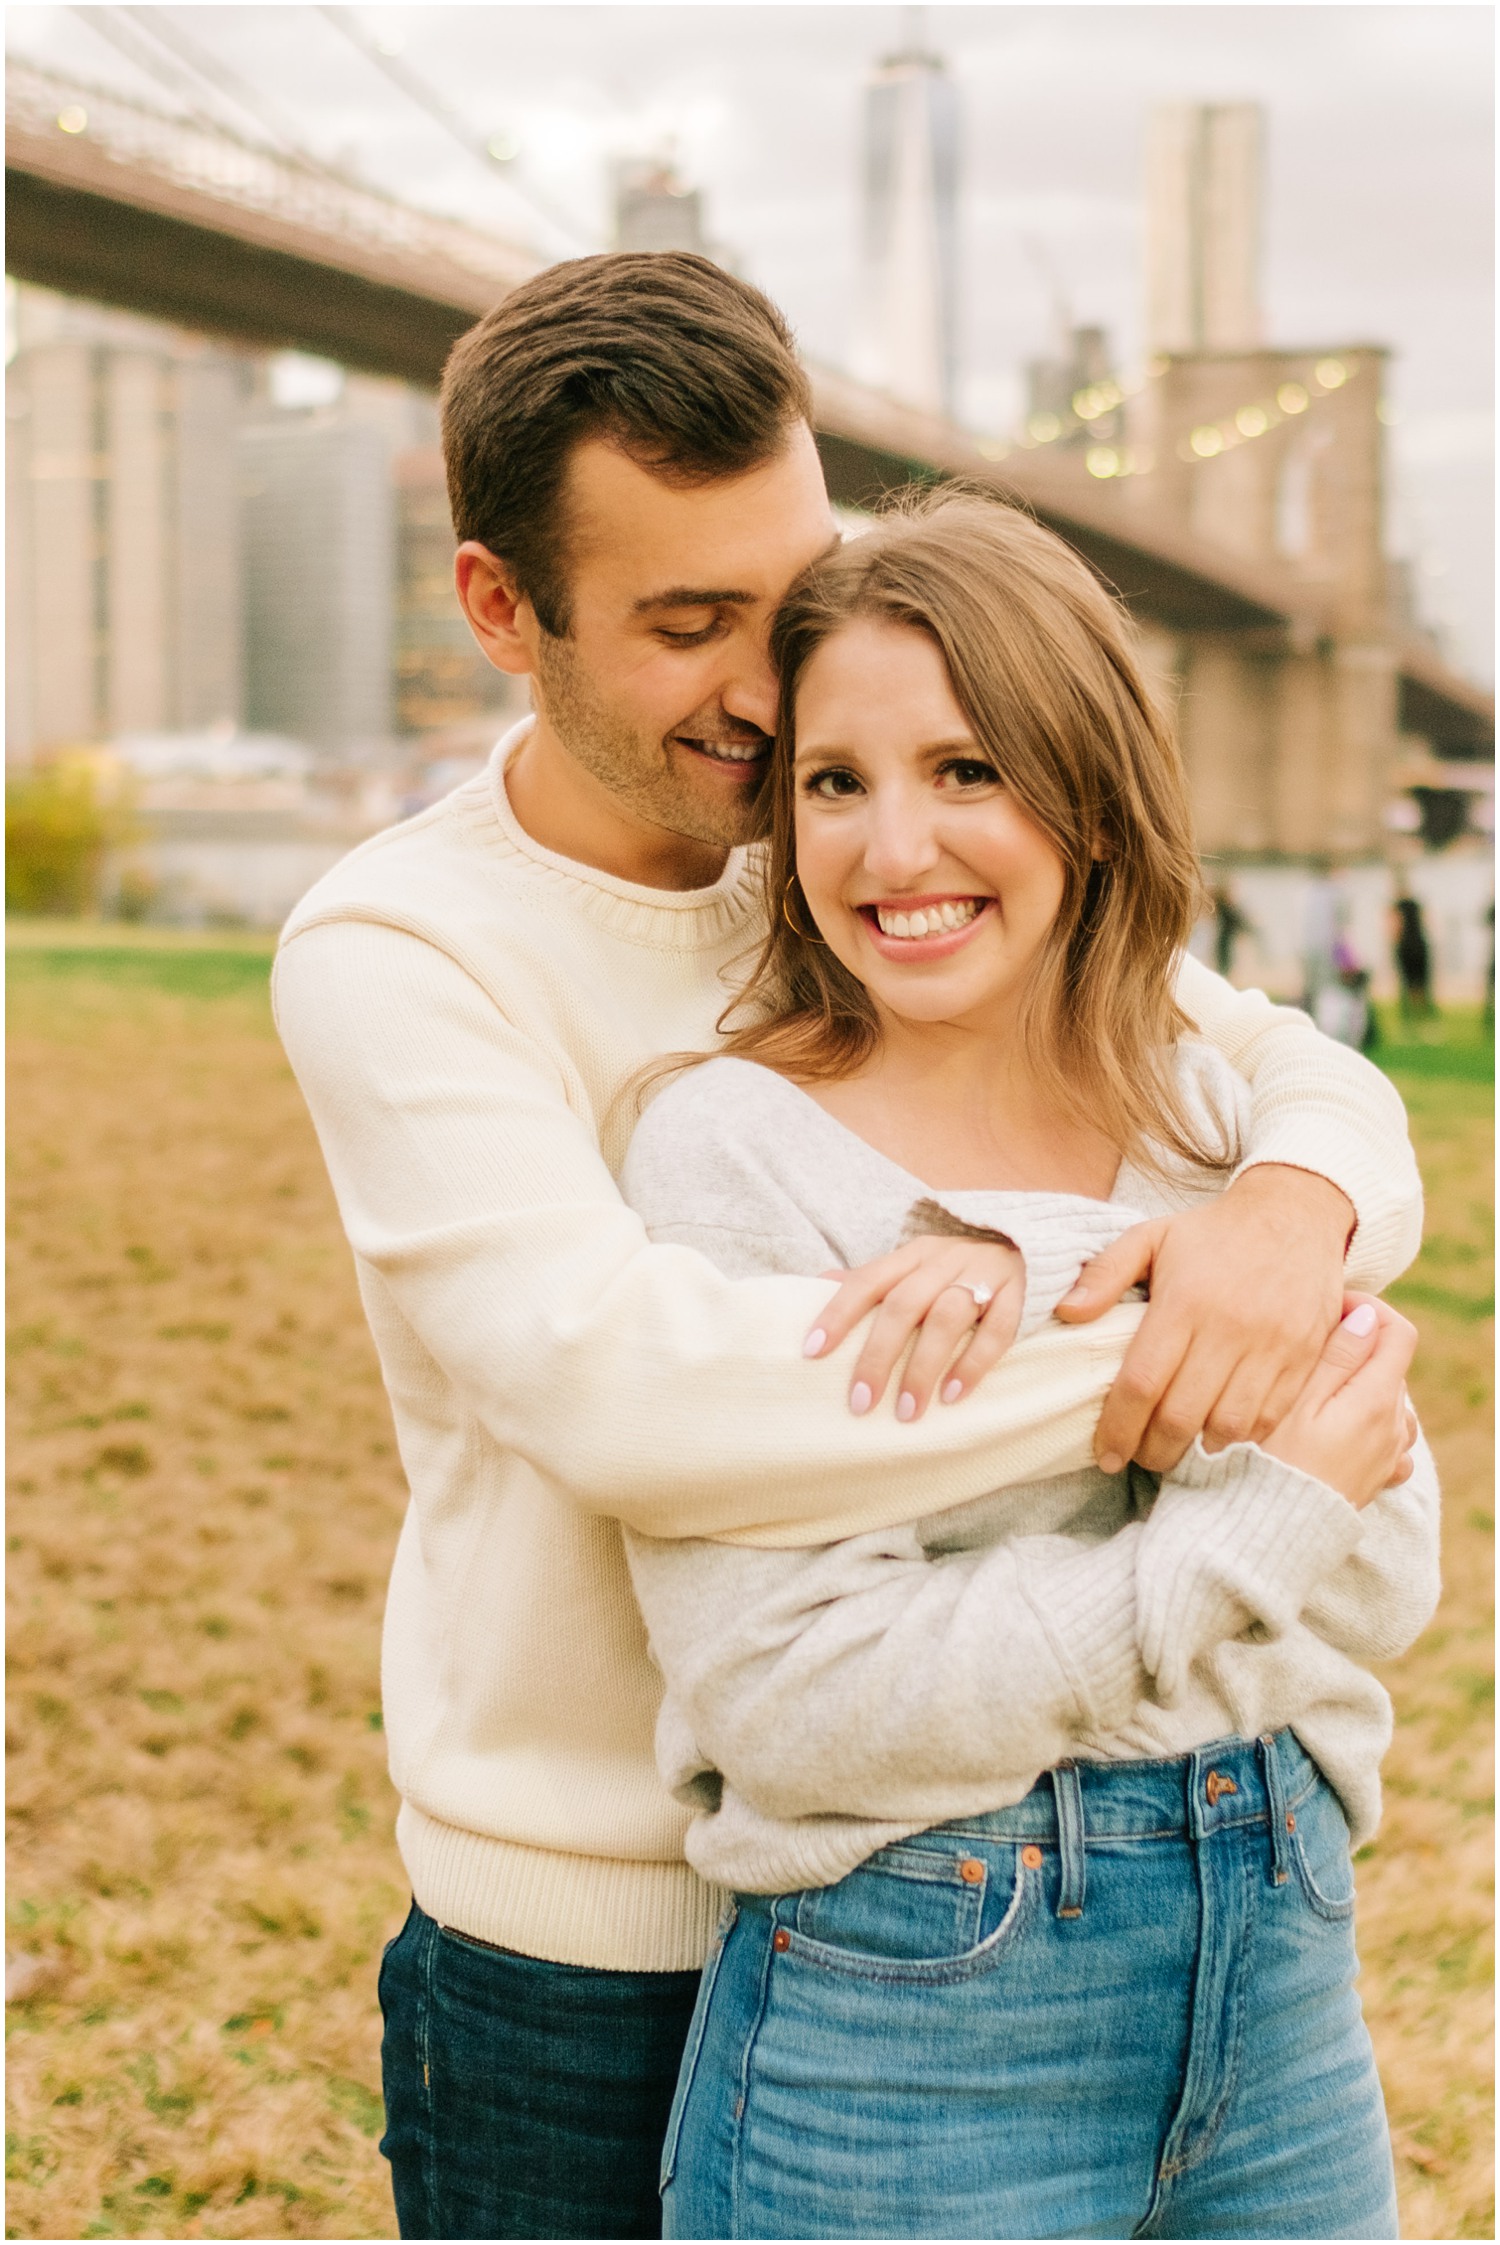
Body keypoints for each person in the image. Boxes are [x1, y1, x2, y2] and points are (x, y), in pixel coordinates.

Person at [272, 255, 1424, 2241]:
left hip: (1010, 1876)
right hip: (592, 1924)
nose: (763, 685)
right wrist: (1217, 1370)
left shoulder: (848, 857)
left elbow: (1291, 1084)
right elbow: (638, 1395)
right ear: (499, 609)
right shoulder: (400, 950)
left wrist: (1278, 1223)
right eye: (686, 622)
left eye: (788, 593)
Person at [620, 494, 1437, 2240]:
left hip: (1280, 1947)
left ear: (1087, 787)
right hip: (920, 2003)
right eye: (835, 782)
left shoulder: (1224, 1127)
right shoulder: (735, 1152)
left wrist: (1058, 1270)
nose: (892, 848)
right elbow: (802, 1703)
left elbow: (1382, 1568)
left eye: (967, 768)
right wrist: (1229, 1538)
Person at [1393, 893, 1435, 1022]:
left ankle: (1413, 1015)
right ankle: (1421, 1014)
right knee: (1419, 983)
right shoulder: (1415, 905)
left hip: (1407, 946)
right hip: (1417, 945)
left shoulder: (1397, 906)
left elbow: (1393, 925)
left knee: (1409, 983)